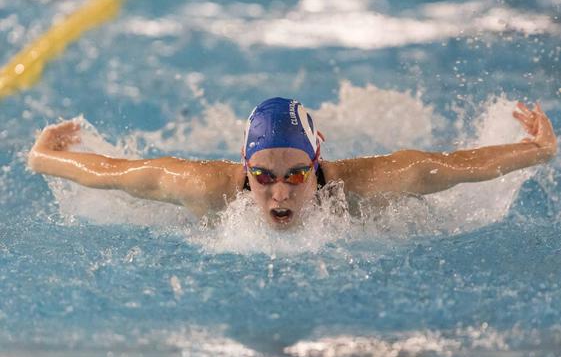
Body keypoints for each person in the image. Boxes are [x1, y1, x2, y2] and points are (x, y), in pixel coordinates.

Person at [28, 97, 557, 228]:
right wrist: (44, 156)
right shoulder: (200, 185)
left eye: (296, 175)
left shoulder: (370, 183)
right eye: (263, 177)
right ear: (244, 166)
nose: (279, 193)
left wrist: (536, 151)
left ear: (317, 160)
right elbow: (115, 173)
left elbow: (458, 165)